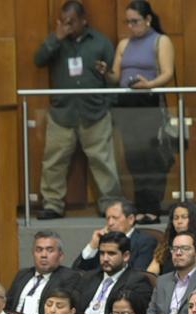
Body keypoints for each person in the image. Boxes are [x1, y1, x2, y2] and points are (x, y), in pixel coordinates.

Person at [33, 1, 122, 219]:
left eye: (71, 22)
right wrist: (56, 38)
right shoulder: (57, 41)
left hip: (95, 113)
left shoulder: (100, 42)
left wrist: (107, 105)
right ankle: (52, 204)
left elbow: (113, 77)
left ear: (83, 20)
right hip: (62, 113)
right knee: (54, 162)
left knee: (103, 162)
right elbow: (39, 59)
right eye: (63, 21)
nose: (67, 26)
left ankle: (110, 205)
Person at [105, 1, 173, 222]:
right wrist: (105, 72)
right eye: (128, 22)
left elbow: (167, 73)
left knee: (150, 156)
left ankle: (152, 207)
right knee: (133, 157)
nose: (131, 26)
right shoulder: (124, 44)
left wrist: (149, 84)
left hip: (148, 100)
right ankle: (140, 205)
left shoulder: (160, 41)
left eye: (135, 21)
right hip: (126, 103)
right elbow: (116, 76)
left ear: (148, 19)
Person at [74, 231, 154, 314]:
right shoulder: (89, 277)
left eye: (111, 253)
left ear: (126, 256)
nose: (105, 259)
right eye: (102, 253)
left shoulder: (137, 282)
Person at [8, 231, 85, 314]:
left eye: (50, 250)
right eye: (39, 250)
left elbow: (67, 311)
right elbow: (8, 304)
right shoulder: (23, 274)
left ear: (60, 256)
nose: (43, 255)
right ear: (33, 253)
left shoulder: (69, 277)